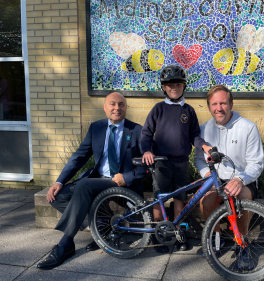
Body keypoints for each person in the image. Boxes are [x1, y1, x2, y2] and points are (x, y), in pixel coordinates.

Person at [37, 92, 146, 270]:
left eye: (121, 104)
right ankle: (102, 227)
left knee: (84, 184)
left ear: (126, 108)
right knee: (57, 196)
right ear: (104, 107)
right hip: (99, 180)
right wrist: (59, 181)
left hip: (123, 185)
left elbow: (147, 165)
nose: (116, 108)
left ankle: (66, 244)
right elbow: (79, 157)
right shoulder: (96, 127)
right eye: (112, 104)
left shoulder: (137, 130)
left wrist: (126, 177)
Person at [141, 65, 212, 253]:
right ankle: (159, 235)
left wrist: (204, 145)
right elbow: (146, 133)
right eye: (170, 85)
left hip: (181, 162)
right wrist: (147, 151)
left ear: (184, 86)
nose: (174, 88)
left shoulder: (188, 111)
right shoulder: (158, 109)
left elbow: (194, 136)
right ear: (164, 87)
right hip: (161, 162)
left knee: (180, 197)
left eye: (178, 85)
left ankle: (178, 233)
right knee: (160, 198)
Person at [194, 84, 264, 270]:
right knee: (206, 201)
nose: (219, 108)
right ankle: (216, 241)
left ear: (231, 104)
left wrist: (239, 180)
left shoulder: (248, 127)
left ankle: (242, 243)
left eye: (223, 103)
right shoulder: (203, 130)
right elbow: (199, 159)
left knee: (241, 198)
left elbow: (256, 164)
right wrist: (207, 175)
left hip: (243, 179)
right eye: (214, 104)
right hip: (215, 179)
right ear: (209, 107)